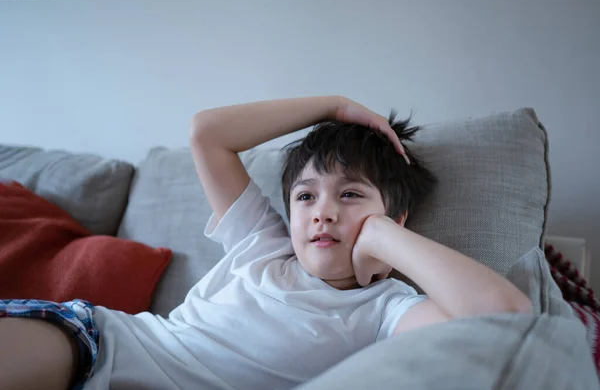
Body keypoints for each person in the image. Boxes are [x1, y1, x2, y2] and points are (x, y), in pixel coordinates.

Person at [0, 95, 532, 390]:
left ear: (396, 217)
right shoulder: (262, 242)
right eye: (306, 197)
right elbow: (207, 132)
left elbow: (505, 320)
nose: (322, 210)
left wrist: (383, 235)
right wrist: (332, 105)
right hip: (98, 342)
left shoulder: (386, 310)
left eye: (349, 195)